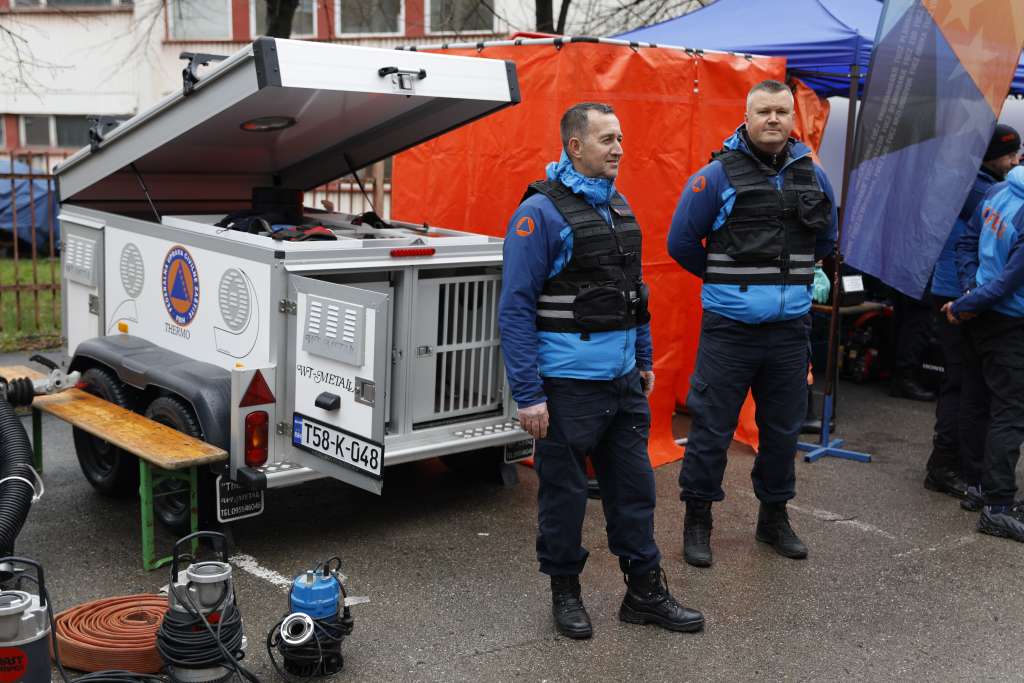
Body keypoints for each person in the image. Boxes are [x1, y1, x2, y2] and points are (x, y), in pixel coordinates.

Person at [498, 102, 704, 638]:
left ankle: (644, 594)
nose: (619, 149)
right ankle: (565, 592)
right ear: (575, 146)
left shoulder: (618, 206)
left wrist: (643, 359)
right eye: (607, 139)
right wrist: (528, 394)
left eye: (620, 139)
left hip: (622, 384)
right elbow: (515, 308)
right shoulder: (539, 214)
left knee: (635, 491)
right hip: (566, 388)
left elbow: (634, 293)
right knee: (564, 497)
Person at [667, 80, 838, 568]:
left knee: (782, 431)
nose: (773, 119)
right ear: (746, 117)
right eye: (763, 111)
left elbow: (826, 238)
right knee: (711, 429)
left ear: (792, 118)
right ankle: (698, 520)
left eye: (781, 111)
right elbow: (681, 243)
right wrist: (726, 282)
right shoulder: (715, 176)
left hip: (789, 332)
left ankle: (774, 518)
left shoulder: (813, 176)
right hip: (730, 330)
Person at [924, 125, 1019, 502]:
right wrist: (969, 295)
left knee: (969, 387)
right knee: (962, 385)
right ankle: (947, 466)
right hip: (961, 294)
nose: (1013, 161)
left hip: (967, 293)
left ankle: (966, 468)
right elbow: (974, 247)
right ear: (991, 156)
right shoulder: (983, 188)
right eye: (1008, 155)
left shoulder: (987, 184)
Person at [945, 143, 1024, 543]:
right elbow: (1010, 280)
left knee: (976, 401)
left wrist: (968, 296)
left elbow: (966, 243)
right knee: (1010, 411)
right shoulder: (1003, 193)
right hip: (1010, 322)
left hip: (982, 315)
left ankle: (977, 486)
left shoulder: (999, 190)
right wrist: (967, 301)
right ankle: (998, 506)